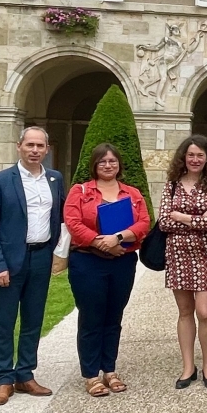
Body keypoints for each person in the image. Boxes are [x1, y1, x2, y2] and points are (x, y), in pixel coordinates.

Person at [0, 127, 66, 407]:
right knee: (4, 322)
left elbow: (62, 219)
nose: (34, 150)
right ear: (19, 146)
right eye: (29, 145)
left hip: (41, 257)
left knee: (33, 320)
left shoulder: (55, 179)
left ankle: (25, 374)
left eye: (40, 146)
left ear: (47, 149)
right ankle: (4, 379)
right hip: (10, 260)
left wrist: (60, 254)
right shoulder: (0, 181)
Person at [63, 143, 151, 396]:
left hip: (122, 261)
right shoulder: (79, 191)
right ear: (95, 165)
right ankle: (91, 374)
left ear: (119, 164)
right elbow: (73, 222)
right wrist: (101, 243)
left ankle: (109, 369)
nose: (108, 165)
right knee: (91, 317)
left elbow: (144, 222)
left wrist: (119, 238)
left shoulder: (132, 194)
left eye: (112, 161)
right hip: (88, 261)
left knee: (114, 317)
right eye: (103, 162)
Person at [159, 135, 207, 390]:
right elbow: (164, 222)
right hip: (177, 254)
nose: (195, 159)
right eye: (191, 155)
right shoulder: (172, 185)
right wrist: (197, 217)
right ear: (183, 158)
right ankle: (189, 366)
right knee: (185, 312)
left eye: (200, 155)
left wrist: (182, 217)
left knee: (205, 311)